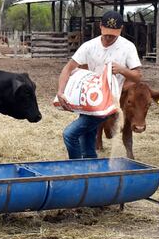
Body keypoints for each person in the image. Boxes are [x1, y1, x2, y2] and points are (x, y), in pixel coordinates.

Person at [57, 10, 142, 159]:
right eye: (106, 33)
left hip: (107, 102)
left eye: (113, 34)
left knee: (70, 134)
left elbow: (137, 76)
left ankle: (76, 169)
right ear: (100, 27)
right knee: (87, 142)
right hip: (88, 98)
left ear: (121, 29)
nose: (109, 37)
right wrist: (60, 92)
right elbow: (67, 69)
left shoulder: (128, 47)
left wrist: (122, 70)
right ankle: (90, 171)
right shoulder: (89, 46)